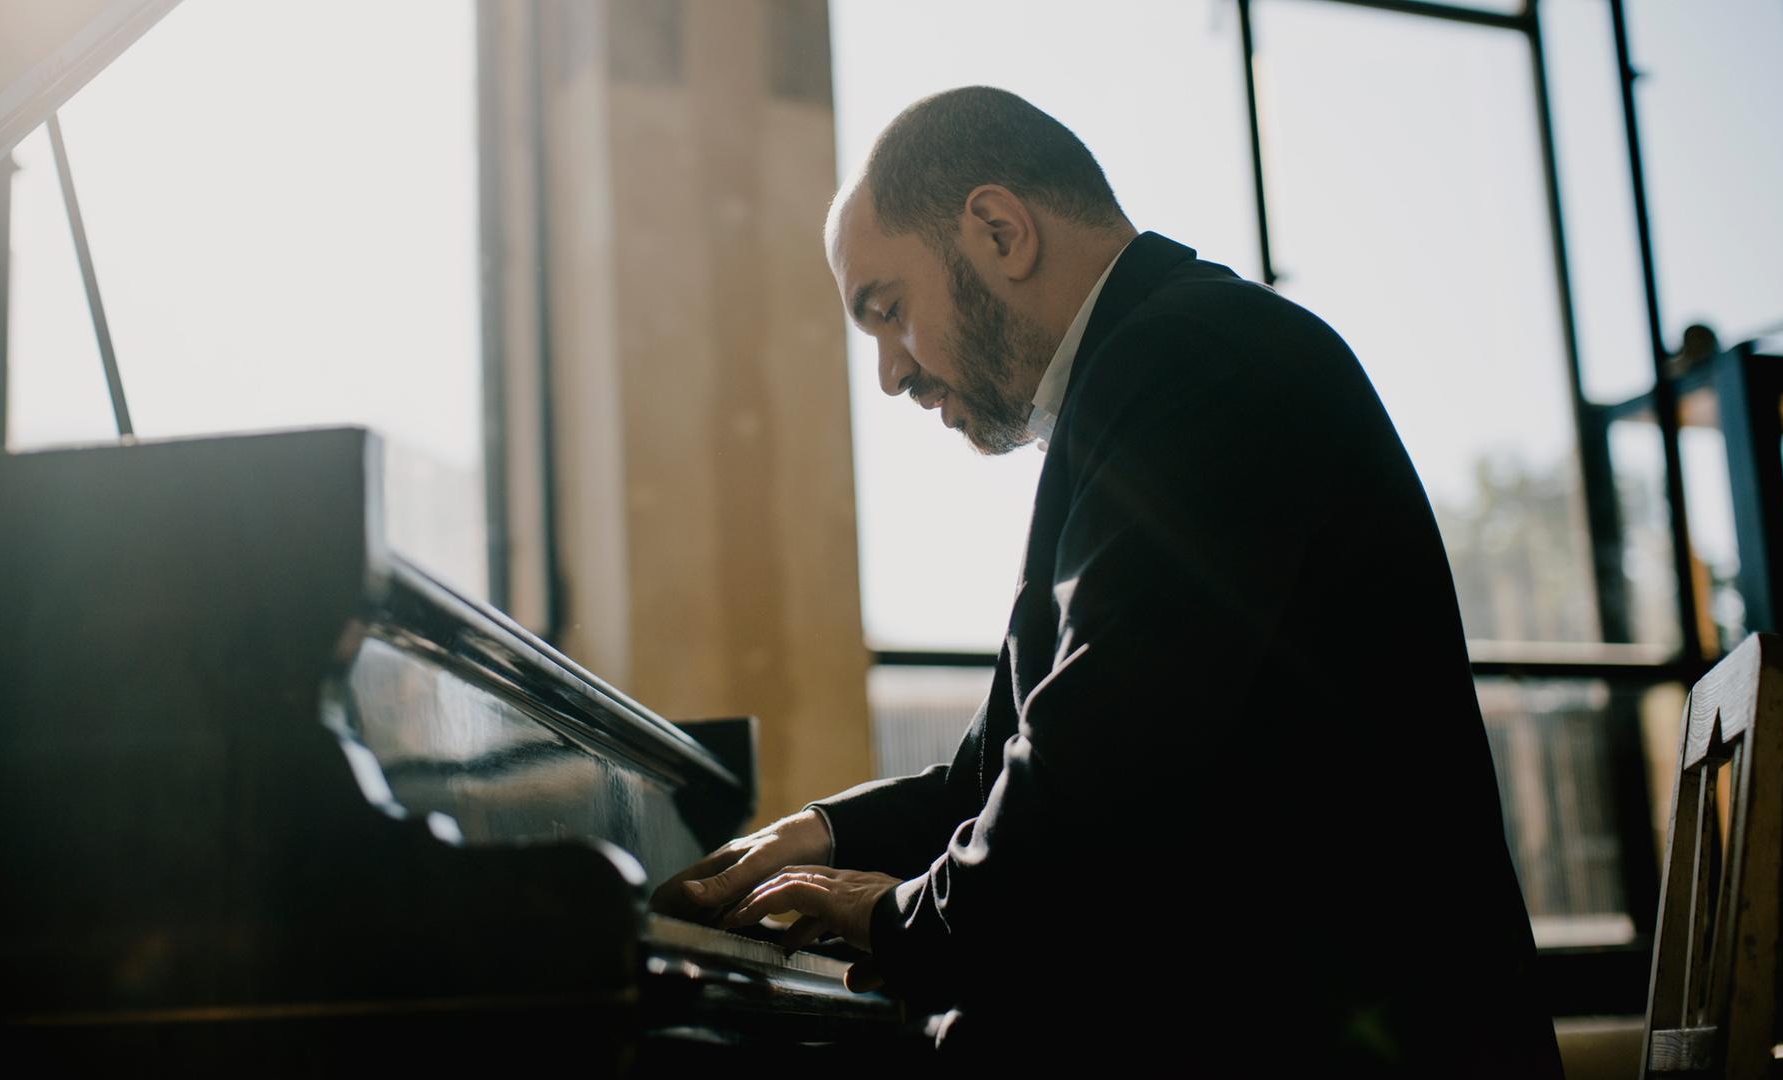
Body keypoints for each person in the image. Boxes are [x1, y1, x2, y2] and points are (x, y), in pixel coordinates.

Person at [654, 86, 1563, 1074]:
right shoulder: (1156, 370)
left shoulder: (1198, 363)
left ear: (1000, 230)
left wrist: (879, 913)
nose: (888, 375)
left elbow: (1093, 791)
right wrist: (818, 839)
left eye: (888, 310)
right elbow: (995, 769)